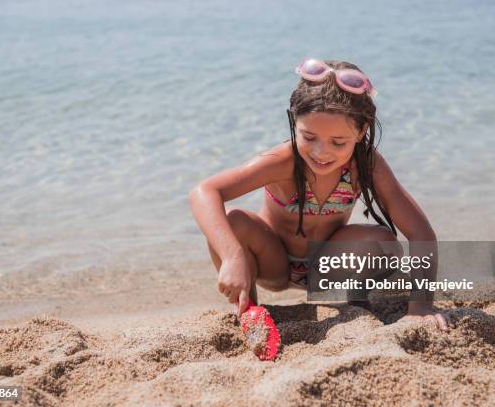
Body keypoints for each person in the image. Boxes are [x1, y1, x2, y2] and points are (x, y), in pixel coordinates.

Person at [189, 59, 450, 332]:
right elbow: (204, 191)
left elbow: (421, 233)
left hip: (327, 268)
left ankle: (357, 300)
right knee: (233, 221)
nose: (321, 152)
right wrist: (232, 256)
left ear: (361, 131)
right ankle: (249, 312)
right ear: (294, 121)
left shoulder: (366, 165)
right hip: (273, 263)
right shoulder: (284, 160)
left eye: (338, 143)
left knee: (383, 242)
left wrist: (421, 307)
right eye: (309, 137)